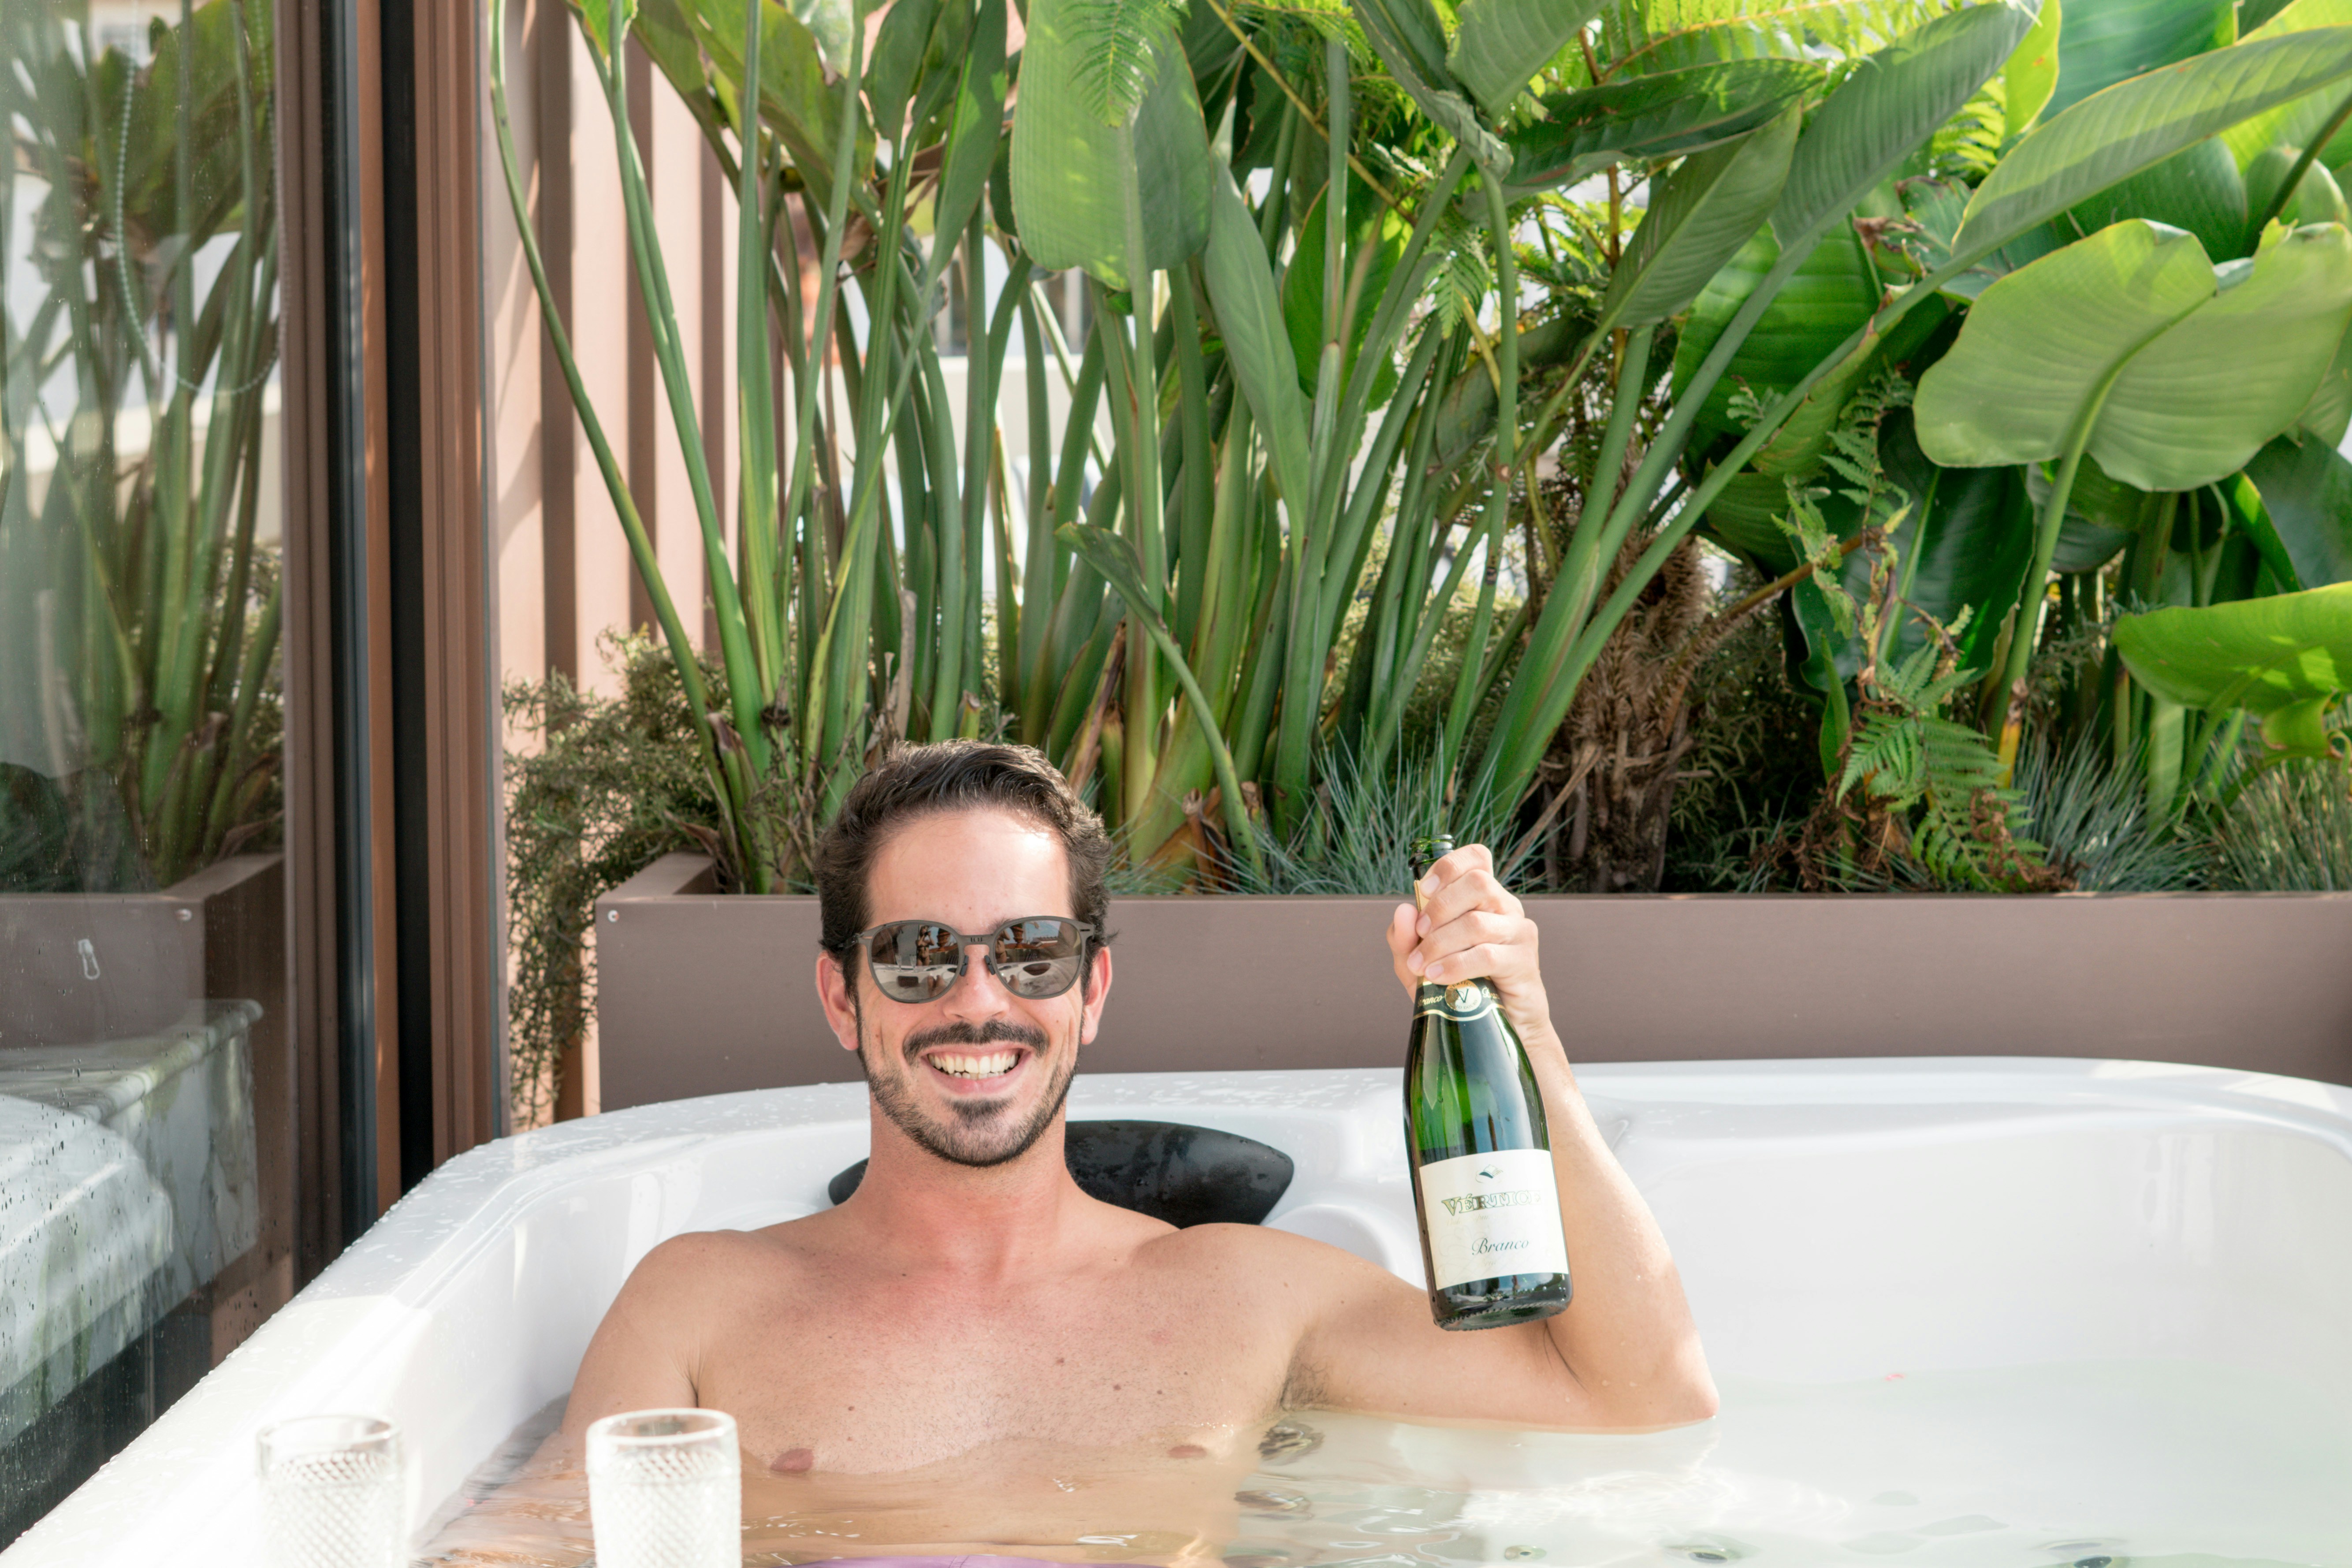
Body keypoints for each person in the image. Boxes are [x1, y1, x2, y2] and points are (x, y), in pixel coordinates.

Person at [558, 740, 1715, 1496]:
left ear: (1091, 991)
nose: (977, 1002)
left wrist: (1529, 1036)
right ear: (840, 997)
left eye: (1031, 952)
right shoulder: (700, 1303)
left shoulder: (1247, 1298)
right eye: (916, 957)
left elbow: (1639, 1395)